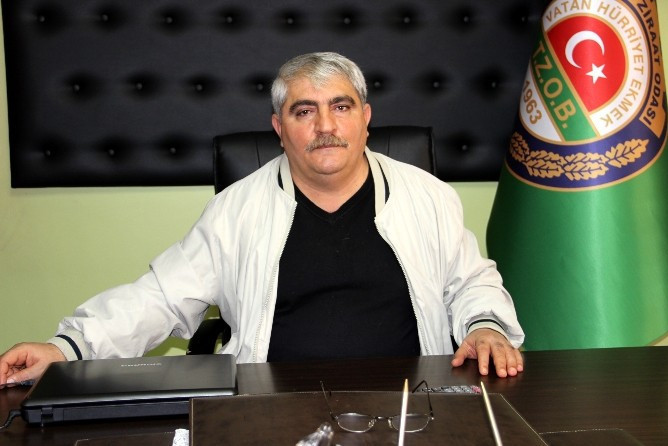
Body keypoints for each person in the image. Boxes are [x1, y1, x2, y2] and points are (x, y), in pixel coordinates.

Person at [0, 52, 524, 386]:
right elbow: (160, 297)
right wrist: (67, 347)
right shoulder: (236, 209)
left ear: (366, 118)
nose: (325, 126)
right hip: (273, 406)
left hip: (412, 403)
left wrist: (485, 326)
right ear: (279, 127)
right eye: (304, 111)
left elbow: (470, 281)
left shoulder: (427, 196)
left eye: (341, 107)